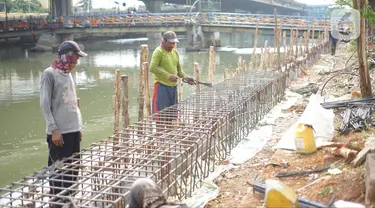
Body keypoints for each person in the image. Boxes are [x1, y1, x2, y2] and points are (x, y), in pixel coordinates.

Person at [40, 40, 87, 196]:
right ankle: (57, 203)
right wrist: (53, 129)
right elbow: (45, 105)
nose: (76, 62)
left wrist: (78, 127)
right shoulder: (49, 74)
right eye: (74, 58)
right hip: (59, 133)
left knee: (73, 170)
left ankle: (69, 202)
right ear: (67, 56)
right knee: (59, 174)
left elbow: (72, 102)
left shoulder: (68, 74)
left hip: (73, 130)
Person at [150, 31, 195, 122]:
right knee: (161, 116)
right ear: (164, 41)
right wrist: (168, 76)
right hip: (161, 87)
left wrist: (186, 77)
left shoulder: (175, 53)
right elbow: (153, 68)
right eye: (170, 43)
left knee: (172, 116)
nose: (172, 45)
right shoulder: (158, 52)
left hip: (173, 88)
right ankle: (161, 135)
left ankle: (170, 134)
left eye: (174, 43)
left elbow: (179, 71)